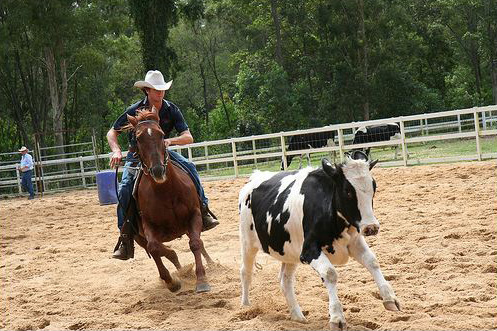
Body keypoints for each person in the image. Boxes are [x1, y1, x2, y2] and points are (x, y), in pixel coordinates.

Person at [107, 70, 219, 260]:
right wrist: (116, 150)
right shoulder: (133, 110)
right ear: (147, 91)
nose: (160, 93)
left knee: (190, 167)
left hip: (163, 153)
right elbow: (112, 132)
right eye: (156, 89)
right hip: (137, 156)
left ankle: (204, 209)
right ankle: (125, 236)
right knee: (125, 187)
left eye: (162, 89)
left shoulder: (171, 109)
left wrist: (169, 142)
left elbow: (188, 136)